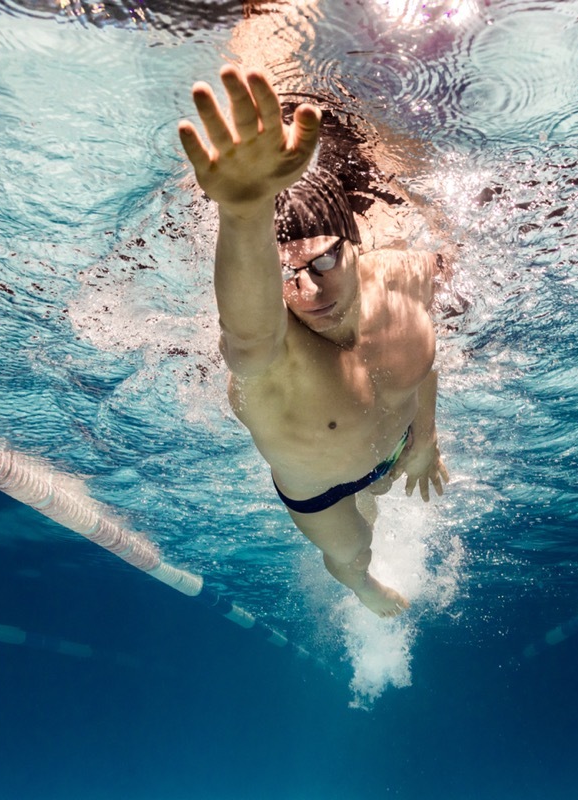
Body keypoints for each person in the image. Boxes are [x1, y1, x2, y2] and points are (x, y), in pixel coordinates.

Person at [178, 65, 449, 617]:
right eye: (285, 275)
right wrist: (244, 210)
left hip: (395, 446)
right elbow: (247, 335)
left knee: (377, 497)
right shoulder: (276, 360)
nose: (307, 290)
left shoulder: (405, 274)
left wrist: (426, 441)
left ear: (355, 243)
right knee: (353, 550)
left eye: (322, 260)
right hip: (320, 492)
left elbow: (420, 370)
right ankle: (361, 588)